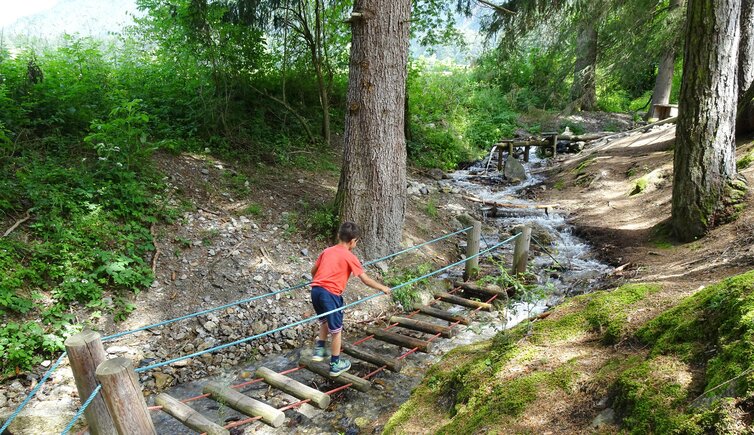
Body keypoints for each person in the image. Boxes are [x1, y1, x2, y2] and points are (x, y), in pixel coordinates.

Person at [310, 222, 391, 376]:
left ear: (338, 236)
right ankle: (335, 365)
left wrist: (319, 283)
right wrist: (383, 288)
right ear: (353, 241)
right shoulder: (350, 256)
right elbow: (365, 280)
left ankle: (319, 351)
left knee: (325, 321)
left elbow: (313, 270)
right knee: (336, 330)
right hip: (330, 294)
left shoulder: (327, 251)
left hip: (316, 291)